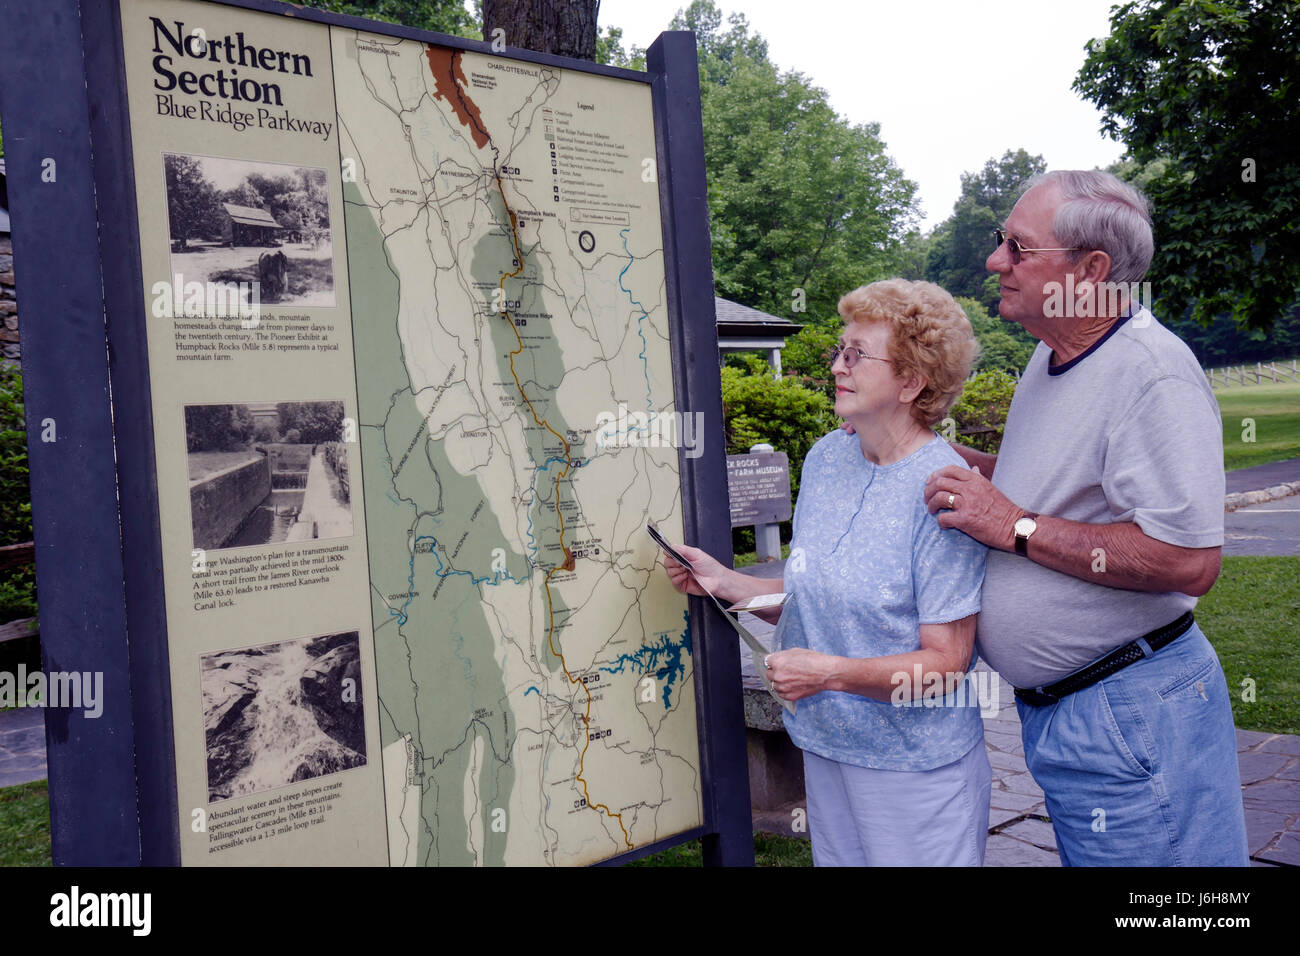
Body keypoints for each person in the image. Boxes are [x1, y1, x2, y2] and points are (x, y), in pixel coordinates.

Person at [922, 169, 1249, 866]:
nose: (994, 261)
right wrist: (944, 459)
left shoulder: (1152, 374)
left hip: (1131, 713)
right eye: (999, 241)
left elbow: (1189, 561)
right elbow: (1053, 488)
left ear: (1090, 268)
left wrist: (1011, 524)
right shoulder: (1052, 355)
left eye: (1018, 246)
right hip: (1078, 714)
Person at [664, 279, 990, 866]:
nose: (838, 365)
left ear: (911, 381)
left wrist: (830, 674)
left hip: (911, 768)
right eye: (839, 350)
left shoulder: (944, 491)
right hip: (825, 743)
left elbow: (945, 665)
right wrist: (724, 582)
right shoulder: (826, 458)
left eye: (857, 354)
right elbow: (818, 592)